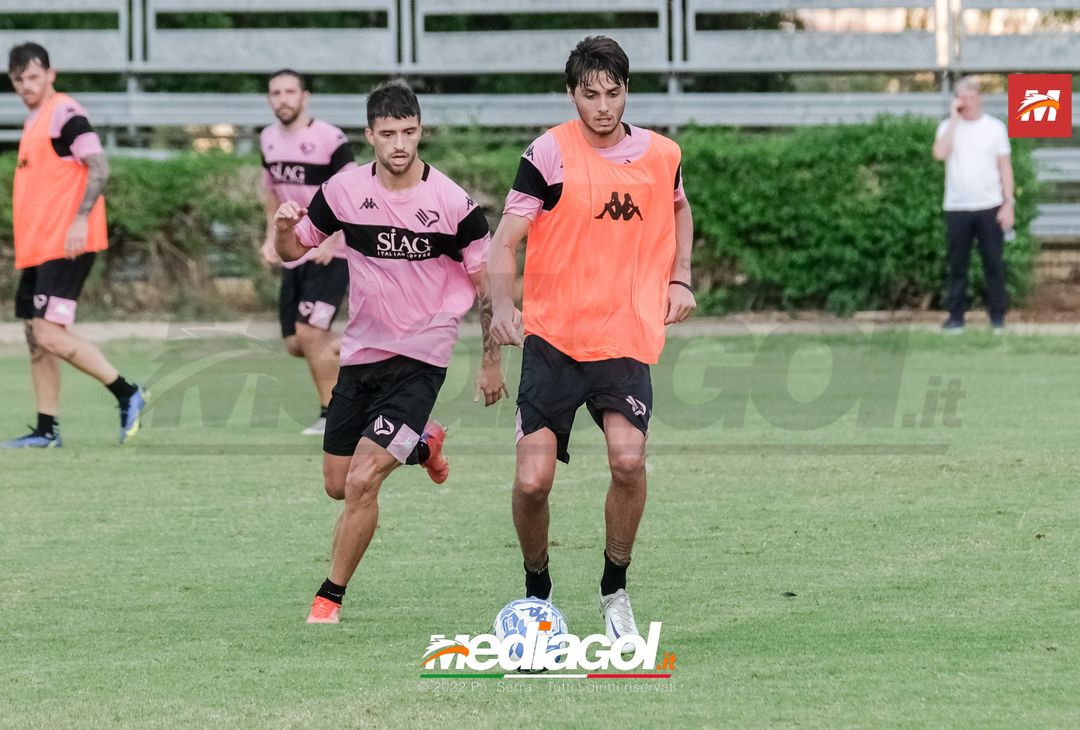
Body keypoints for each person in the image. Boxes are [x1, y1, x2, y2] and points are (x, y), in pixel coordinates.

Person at [273, 80, 508, 625]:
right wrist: (283, 229)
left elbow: (487, 286)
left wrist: (492, 360)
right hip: (361, 354)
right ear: (370, 136)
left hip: (422, 358)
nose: (399, 144)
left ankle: (328, 598)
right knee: (336, 484)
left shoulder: (453, 203)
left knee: (362, 481)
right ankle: (423, 447)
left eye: (408, 132)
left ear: (420, 131)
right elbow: (297, 247)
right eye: (387, 134)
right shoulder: (344, 191)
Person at [487, 36, 696, 642]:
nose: (603, 106)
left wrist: (680, 276)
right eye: (590, 94)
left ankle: (614, 590)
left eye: (613, 92)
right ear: (572, 94)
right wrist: (504, 305)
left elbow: (680, 209)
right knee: (532, 482)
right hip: (553, 339)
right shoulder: (548, 153)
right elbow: (504, 242)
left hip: (625, 336)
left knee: (629, 462)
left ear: (626, 91)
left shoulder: (662, 154)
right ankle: (538, 596)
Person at [2, 42, 145, 449]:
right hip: (39, 248)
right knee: (36, 339)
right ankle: (47, 430)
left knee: (49, 334)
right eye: (18, 80)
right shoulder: (35, 120)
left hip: (66, 244)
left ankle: (127, 392)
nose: (26, 85)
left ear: (50, 74)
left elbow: (99, 165)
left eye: (33, 76)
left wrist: (80, 218)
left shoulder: (64, 113)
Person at [259, 69, 355, 435]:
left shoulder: (330, 138)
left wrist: (331, 239)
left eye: (289, 91)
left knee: (311, 333)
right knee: (295, 343)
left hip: (333, 251)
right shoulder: (267, 139)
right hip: (294, 252)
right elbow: (271, 193)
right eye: (275, 92)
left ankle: (332, 416)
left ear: (305, 96)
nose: (282, 99)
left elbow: (350, 189)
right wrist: (271, 237)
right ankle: (371, 353)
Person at [932, 75, 1014, 334]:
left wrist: (1007, 203)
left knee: (993, 264)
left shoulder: (995, 128)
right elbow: (939, 153)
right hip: (957, 207)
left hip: (989, 205)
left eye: (969, 96)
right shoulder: (947, 127)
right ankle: (956, 318)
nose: (965, 101)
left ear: (979, 97)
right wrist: (955, 121)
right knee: (958, 266)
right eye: (960, 97)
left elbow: (1005, 168)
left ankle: (997, 318)